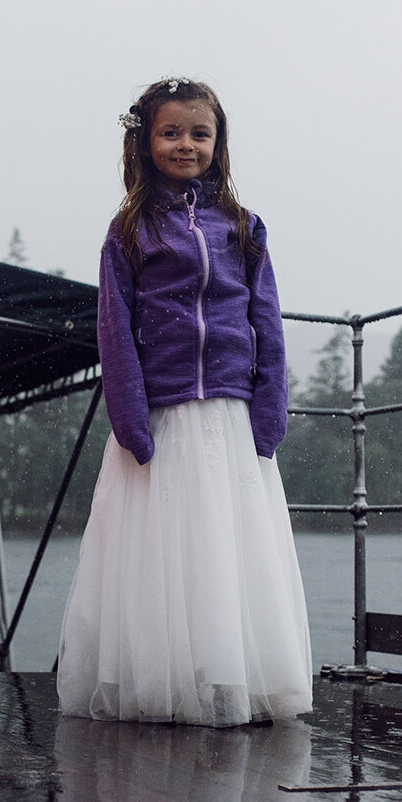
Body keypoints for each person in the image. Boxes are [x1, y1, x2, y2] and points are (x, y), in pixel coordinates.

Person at [56, 77, 313, 727]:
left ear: (218, 143)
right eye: (171, 132)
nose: (185, 144)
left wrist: (269, 410)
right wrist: (130, 421)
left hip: (231, 418)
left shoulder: (244, 229)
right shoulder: (130, 232)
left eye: (200, 133)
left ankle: (231, 679)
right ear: (146, 141)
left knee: (226, 553)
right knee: (163, 558)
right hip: (160, 418)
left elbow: (268, 323)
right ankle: (166, 683)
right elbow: (114, 330)